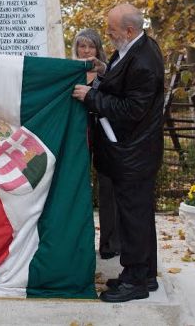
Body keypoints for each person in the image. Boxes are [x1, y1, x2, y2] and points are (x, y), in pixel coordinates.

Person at [72, 4, 164, 303]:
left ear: (128, 29)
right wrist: (104, 70)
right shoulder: (133, 48)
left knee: (133, 218)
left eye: (111, 29)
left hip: (133, 152)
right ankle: (146, 275)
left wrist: (92, 96)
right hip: (131, 150)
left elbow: (132, 109)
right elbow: (123, 83)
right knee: (139, 215)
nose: (108, 34)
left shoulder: (144, 60)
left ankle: (134, 281)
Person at [72, 28, 121, 261]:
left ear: (98, 49)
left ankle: (110, 244)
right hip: (77, 134)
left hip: (103, 133)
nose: (86, 50)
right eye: (82, 46)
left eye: (91, 46)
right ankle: (77, 243)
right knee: (77, 184)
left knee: (107, 186)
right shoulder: (68, 72)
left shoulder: (108, 73)